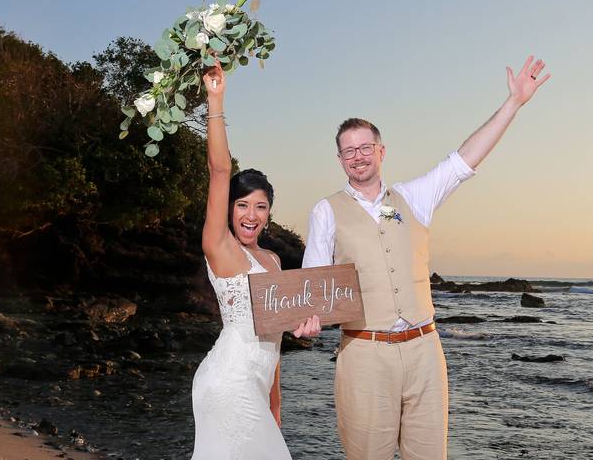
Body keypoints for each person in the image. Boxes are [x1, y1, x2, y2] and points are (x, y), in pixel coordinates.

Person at [302, 56, 551, 459]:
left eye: (366, 147)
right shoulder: (326, 211)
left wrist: (513, 104)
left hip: (424, 351)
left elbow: (464, 160)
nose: (358, 156)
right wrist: (308, 319)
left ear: (382, 151)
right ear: (339, 160)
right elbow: (311, 283)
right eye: (349, 151)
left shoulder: (414, 197)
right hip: (364, 353)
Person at [190, 60, 321, 459]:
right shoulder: (220, 247)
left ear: (269, 213)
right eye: (242, 205)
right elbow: (218, 169)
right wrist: (216, 100)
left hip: (257, 385)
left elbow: (275, 339)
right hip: (228, 381)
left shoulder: (274, 261)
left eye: (260, 207)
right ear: (228, 210)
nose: (251, 215)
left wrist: (276, 403)